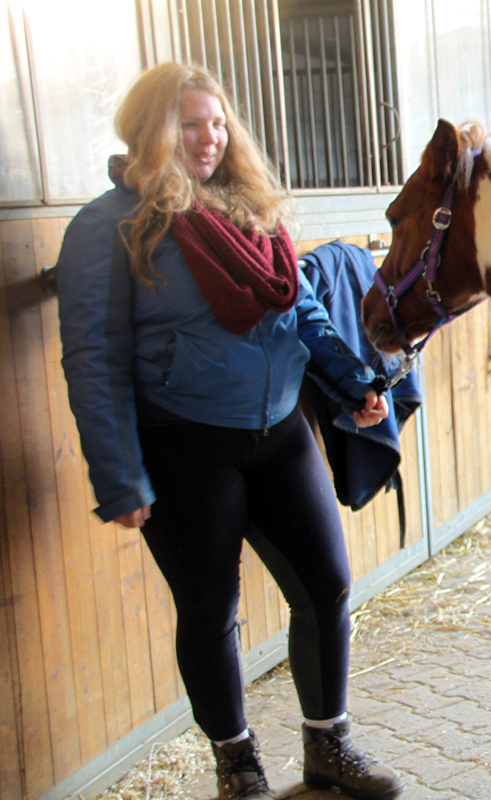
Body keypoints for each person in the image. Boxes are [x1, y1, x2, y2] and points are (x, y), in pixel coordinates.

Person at [56, 63, 403, 800]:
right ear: (149, 130)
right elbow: (93, 359)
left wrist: (354, 382)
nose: (208, 137)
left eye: (216, 122)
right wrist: (119, 474)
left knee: (328, 586)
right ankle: (237, 764)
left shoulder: (252, 209)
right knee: (212, 609)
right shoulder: (112, 225)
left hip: (279, 432)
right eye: (188, 123)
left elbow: (304, 312)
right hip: (182, 443)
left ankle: (327, 749)